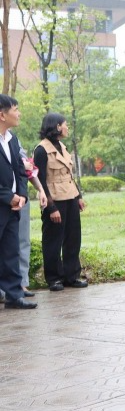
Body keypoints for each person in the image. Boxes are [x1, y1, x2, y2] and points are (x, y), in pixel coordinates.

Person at [34, 113, 87, 291]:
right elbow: (40, 181)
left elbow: (69, 175)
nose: (67, 128)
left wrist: (78, 197)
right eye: (65, 124)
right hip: (54, 200)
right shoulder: (41, 150)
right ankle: (54, 278)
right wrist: (51, 208)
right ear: (57, 126)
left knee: (73, 238)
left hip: (70, 198)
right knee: (53, 241)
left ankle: (72, 276)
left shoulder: (63, 147)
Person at [0, 95, 36, 309]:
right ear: (2, 115)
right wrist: (7, 196)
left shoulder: (12, 139)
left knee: (10, 251)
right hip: (4, 201)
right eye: (15, 109)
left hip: (13, 205)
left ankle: (13, 296)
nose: (19, 113)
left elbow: (20, 170)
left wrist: (21, 194)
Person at [14, 147, 46, 299]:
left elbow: (29, 167)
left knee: (23, 241)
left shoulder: (14, 140)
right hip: (4, 197)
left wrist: (40, 189)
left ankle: (22, 283)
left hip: (21, 196)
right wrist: (21, 165)